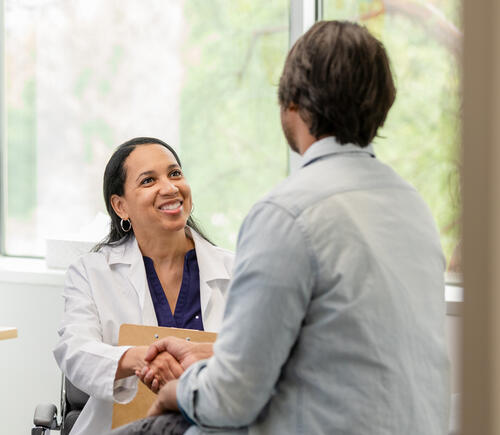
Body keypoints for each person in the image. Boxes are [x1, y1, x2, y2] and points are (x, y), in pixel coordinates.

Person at [112, 20, 450, 435]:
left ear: (292, 104)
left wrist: (180, 392)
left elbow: (232, 399)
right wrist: (214, 356)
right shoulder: (413, 207)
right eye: (148, 180)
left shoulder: (286, 213)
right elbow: (339, 355)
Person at [53, 137, 234, 435]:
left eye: (175, 173)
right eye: (149, 180)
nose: (169, 187)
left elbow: (261, 353)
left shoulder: (237, 270)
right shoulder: (91, 272)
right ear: (121, 206)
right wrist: (143, 358)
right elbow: (74, 350)